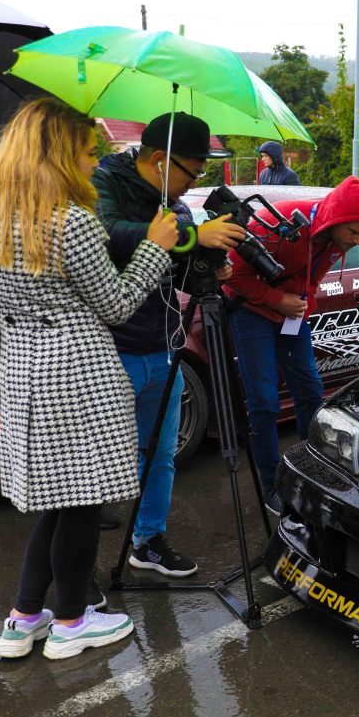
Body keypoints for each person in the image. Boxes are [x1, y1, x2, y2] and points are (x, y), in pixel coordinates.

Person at [0, 97, 180, 659]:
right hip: (81, 371)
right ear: (58, 154)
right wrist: (154, 249)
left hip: (21, 371)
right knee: (79, 502)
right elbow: (117, 304)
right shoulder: (69, 220)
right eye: (86, 151)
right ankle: (72, 623)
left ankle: (23, 617)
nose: (91, 162)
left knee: (58, 499)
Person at [94, 112, 244, 576]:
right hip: (107, 348)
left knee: (160, 453)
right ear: (160, 160)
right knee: (89, 462)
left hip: (163, 343)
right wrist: (192, 235)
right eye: (191, 171)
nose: (194, 182)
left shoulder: (175, 205)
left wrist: (207, 266)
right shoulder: (103, 184)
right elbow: (108, 235)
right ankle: (75, 577)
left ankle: (149, 541)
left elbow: (172, 269)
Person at [225, 175, 359, 511]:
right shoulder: (277, 223)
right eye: (354, 232)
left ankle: (314, 471)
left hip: (290, 316)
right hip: (251, 313)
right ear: (336, 220)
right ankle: (270, 486)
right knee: (264, 402)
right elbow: (233, 277)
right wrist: (278, 300)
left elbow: (309, 279)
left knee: (310, 390)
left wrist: (303, 299)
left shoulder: (334, 238)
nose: (357, 241)